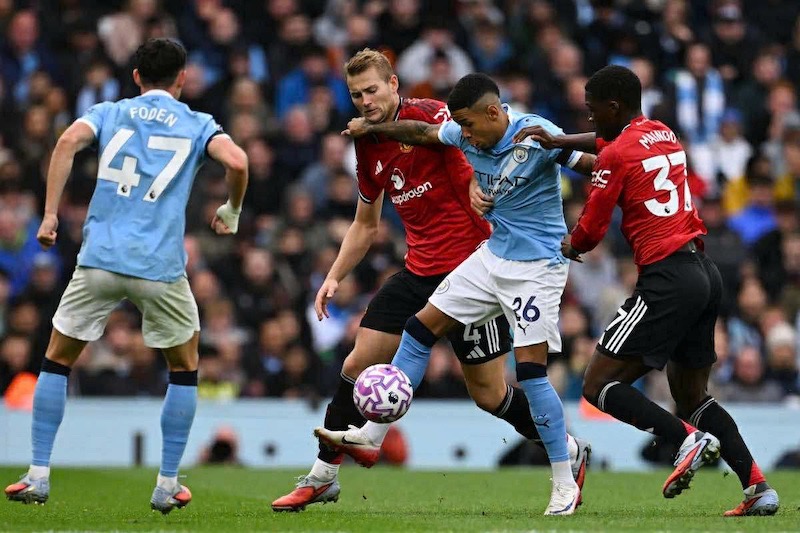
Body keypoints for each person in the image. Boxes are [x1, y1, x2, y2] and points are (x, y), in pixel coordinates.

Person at [271, 52, 590, 513]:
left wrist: (476, 193)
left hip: (474, 266)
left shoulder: (435, 116)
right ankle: (324, 475)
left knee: (489, 394)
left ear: (394, 84)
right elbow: (365, 223)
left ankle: (570, 450)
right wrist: (334, 276)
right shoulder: (367, 143)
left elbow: (468, 154)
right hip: (419, 271)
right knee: (359, 362)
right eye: (357, 95)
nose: (365, 102)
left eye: (373, 91)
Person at [516, 64, 779, 517]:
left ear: (613, 106)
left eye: (593, 111)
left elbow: (590, 231)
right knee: (693, 396)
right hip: (703, 271)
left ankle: (685, 441)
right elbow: (607, 145)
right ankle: (758, 487)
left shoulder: (617, 155)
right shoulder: (661, 131)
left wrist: (563, 244)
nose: (590, 119)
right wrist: (561, 143)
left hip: (666, 279)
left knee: (598, 383)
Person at [3, 38, 248, 514]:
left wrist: (50, 215)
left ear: (136, 76)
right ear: (182, 78)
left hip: (99, 259)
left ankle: (36, 474)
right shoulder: (198, 124)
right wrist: (232, 208)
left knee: (56, 360)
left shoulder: (109, 111)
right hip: (159, 267)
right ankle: (168, 483)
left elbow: (66, 141)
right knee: (184, 367)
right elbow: (238, 161)